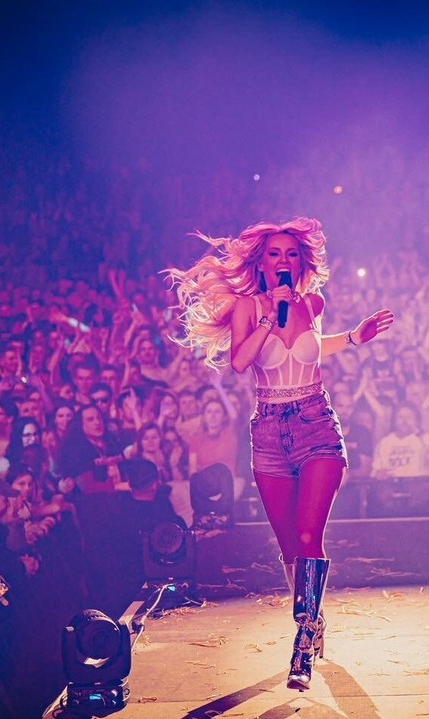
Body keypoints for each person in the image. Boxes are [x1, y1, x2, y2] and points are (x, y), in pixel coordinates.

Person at [168, 217, 394, 690]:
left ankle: (303, 641)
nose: (284, 260)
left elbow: (311, 349)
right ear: (262, 263)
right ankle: (314, 617)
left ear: (300, 262)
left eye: (292, 253)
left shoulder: (313, 303)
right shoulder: (247, 309)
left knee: (309, 533)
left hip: (317, 425)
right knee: (290, 546)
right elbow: (240, 361)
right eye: (275, 253)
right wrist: (271, 315)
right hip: (269, 433)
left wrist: (355, 337)